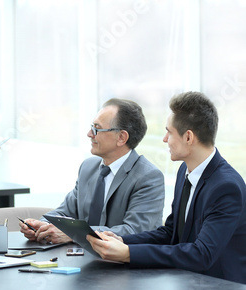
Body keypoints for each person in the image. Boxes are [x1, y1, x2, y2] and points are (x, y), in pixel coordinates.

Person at [87, 92, 246, 284]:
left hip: (219, 284)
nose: (164, 139)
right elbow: (171, 233)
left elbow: (201, 254)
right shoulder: (184, 171)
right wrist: (123, 241)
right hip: (186, 279)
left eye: (169, 132)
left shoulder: (226, 187)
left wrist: (129, 253)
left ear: (188, 137)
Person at [20, 98, 165, 244]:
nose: (89, 133)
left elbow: (135, 231)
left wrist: (75, 234)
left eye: (97, 128)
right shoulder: (88, 167)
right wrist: (41, 225)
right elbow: (65, 212)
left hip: (122, 264)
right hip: (80, 259)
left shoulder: (148, 177)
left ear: (121, 137)